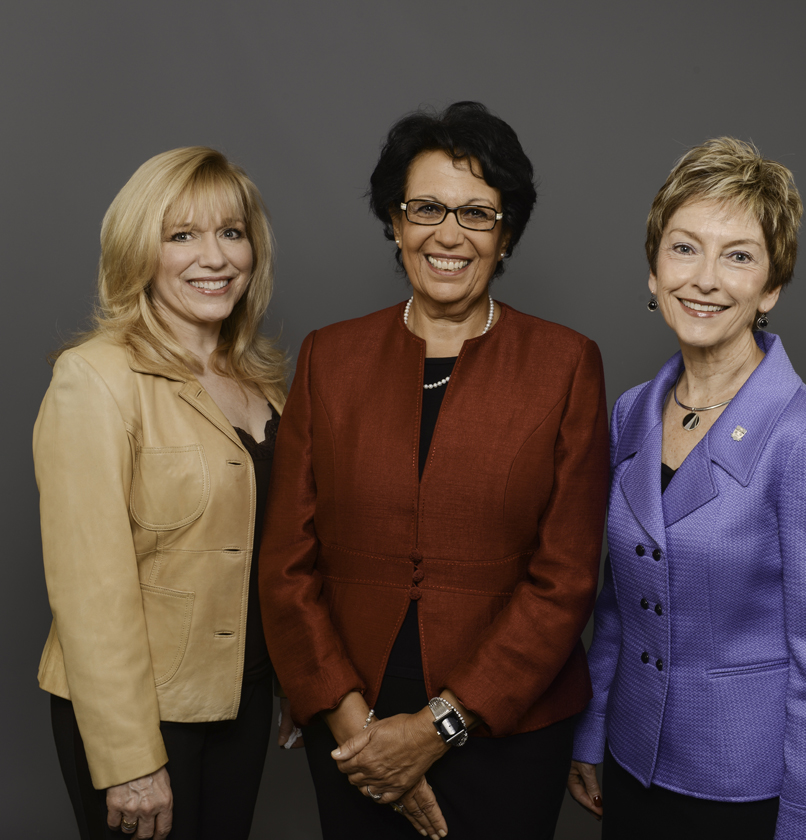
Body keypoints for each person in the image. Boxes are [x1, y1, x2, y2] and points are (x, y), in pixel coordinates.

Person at [260, 101, 609, 840]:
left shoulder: (566, 365)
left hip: (507, 727)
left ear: (506, 234)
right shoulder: (330, 358)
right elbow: (287, 563)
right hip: (352, 722)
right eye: (427, 208)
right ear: (395, 222)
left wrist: (435, 728)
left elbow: (567, 577)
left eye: (477, 214)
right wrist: (352, 722)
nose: (449, 234)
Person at [567, 137, 806, 839]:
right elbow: (617, 604)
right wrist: (592, 734)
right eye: (684, 249)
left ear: (771, 286)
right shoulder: (631, 411)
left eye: (738, 255)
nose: (704, 278)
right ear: (653, 271)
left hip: (743, 794)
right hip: (631, 763)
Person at [34, 147, 293, 840]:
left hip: (245, 698)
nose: (214, 257)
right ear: (138, 253)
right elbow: (90, 588)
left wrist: (300, 680)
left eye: (231, 233)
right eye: (181, 236)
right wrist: (127, 761)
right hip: (144, 717)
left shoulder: (265, 384)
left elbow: (277, 553)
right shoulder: (94, 378)